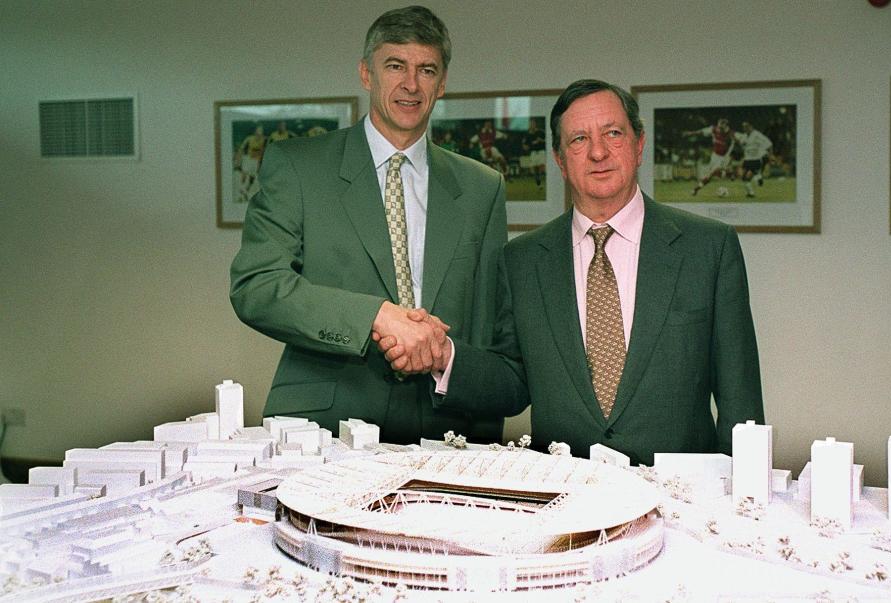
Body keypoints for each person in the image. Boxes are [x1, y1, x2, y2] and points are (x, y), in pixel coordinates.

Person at [381, 80, 764, 465]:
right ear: (560, 160)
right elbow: (514, 382)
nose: (598, 152)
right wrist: (443, 355)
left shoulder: (708, 248)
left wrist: (745, 501)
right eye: (579, 139)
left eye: (613, 133)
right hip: (566, 496)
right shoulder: (522, 260)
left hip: (678, 501)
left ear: (639, 144)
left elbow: (740, 400)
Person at [230, 5, 507, 445]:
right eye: (395, 65)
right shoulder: (298, 166)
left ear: (443, 83)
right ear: (366, 73)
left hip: (445, 430)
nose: (411, 84)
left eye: (427, 69)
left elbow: (490, 328)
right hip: (323, 429)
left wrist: (477, 413)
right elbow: (257, 287)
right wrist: (376, 317)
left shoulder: (482, 187)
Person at [683, 118, 735, 196]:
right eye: (719, 126)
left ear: (726, 126)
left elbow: (732, 144)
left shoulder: (730, 134)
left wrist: (728, 155)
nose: (719, 128)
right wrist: (691, 133)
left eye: (721, 126)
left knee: (714, 173)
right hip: (714, 156)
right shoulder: (714, 129)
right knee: (710, 176)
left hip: (724, 157)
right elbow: (701, 131)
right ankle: (729, 173)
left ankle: (696, 189)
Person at [734, 121, 773, 197]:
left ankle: (757, 178)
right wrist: (737, 141)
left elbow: (769, 144)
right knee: (744, 178)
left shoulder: (757, 135)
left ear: (751, 126)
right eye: (744, 127)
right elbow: (742, 143)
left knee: (747, 177)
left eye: (747, 126)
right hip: (747, 160)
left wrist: (770, 156)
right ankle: (756, 182)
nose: (745, 128)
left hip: (755, 160)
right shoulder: (745, 136)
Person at [233, 124, 266, 202]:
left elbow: (263, 151)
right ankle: (241, 189)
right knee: (244, 173)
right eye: (259, 130)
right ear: (255, 131)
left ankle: (245, 190)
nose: (260, 132)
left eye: (261, 131)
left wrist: (260, 162)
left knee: (252, 177)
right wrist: (238, 156)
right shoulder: (249, 138)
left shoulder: (264, 139)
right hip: (248, 159)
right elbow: (242, 147)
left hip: (256, 161)